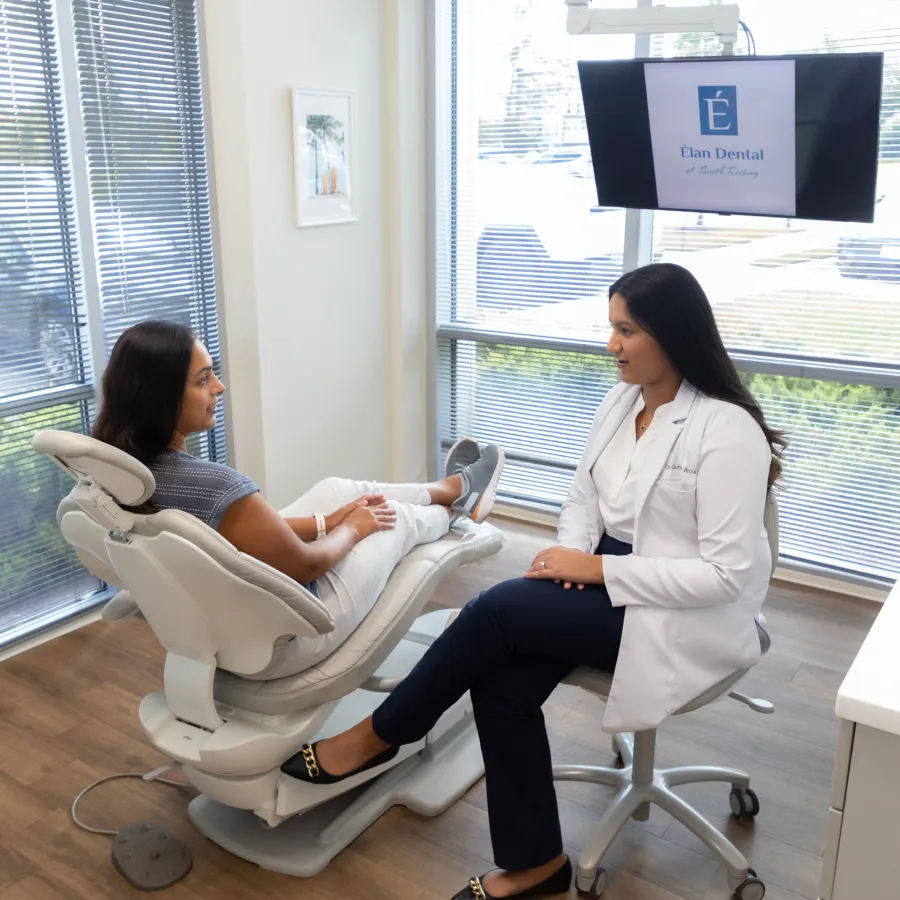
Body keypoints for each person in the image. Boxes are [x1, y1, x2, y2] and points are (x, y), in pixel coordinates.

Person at [279, 263, 787, 900]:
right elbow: (583, 498)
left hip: (681, 611)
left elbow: (725, 576)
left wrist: (595, 569)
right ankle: (537, 863)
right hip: (602, 574)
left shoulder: (728, 429)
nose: (612, 346)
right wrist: (572, 556)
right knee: (502, 681)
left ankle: (379, 735)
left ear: (673, 334)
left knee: (495, 613)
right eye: (612, 328)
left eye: (627, 331)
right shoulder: (623, 401)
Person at [91, 320, 505, 679]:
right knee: (391, 518)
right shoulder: (214, 486)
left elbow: (227, 538)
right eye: (203, 380)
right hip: (291, 635)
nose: (219, 386)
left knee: (337, 490)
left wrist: (330, 521)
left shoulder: (125, 476)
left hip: (229, 624)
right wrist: (351, 528)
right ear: (161, 397)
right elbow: (307, 565)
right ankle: (451, 512)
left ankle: (450, 489)